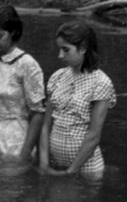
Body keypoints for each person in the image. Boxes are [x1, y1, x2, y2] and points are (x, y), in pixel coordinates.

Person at [38, 20, 116, 180]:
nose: (60, 55)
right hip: (55, 165)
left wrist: (70, 172)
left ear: (83, 48)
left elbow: (94, 135)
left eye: (66, 50)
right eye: (59, 49)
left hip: (85, 169)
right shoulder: (57, 76)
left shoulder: (101, 82)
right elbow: (46, 125)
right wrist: (44, 163)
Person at [0, 4, 45, 159]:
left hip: (15, 140)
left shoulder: (27, 64)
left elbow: (38, 113)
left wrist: (25, 152)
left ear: (12, 32)